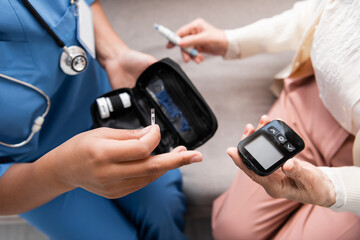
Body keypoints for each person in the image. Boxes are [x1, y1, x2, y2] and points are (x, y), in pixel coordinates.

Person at [0, 0, 202, 239]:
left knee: (165, 209)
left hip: (104, 107)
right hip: (32, 169)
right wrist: (60, 173)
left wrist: (115, 54)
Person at [168, 0, 360, 238]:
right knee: (232, 231)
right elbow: (320, 11)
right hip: (308, 106)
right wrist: (232, 42)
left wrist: (334, 191)